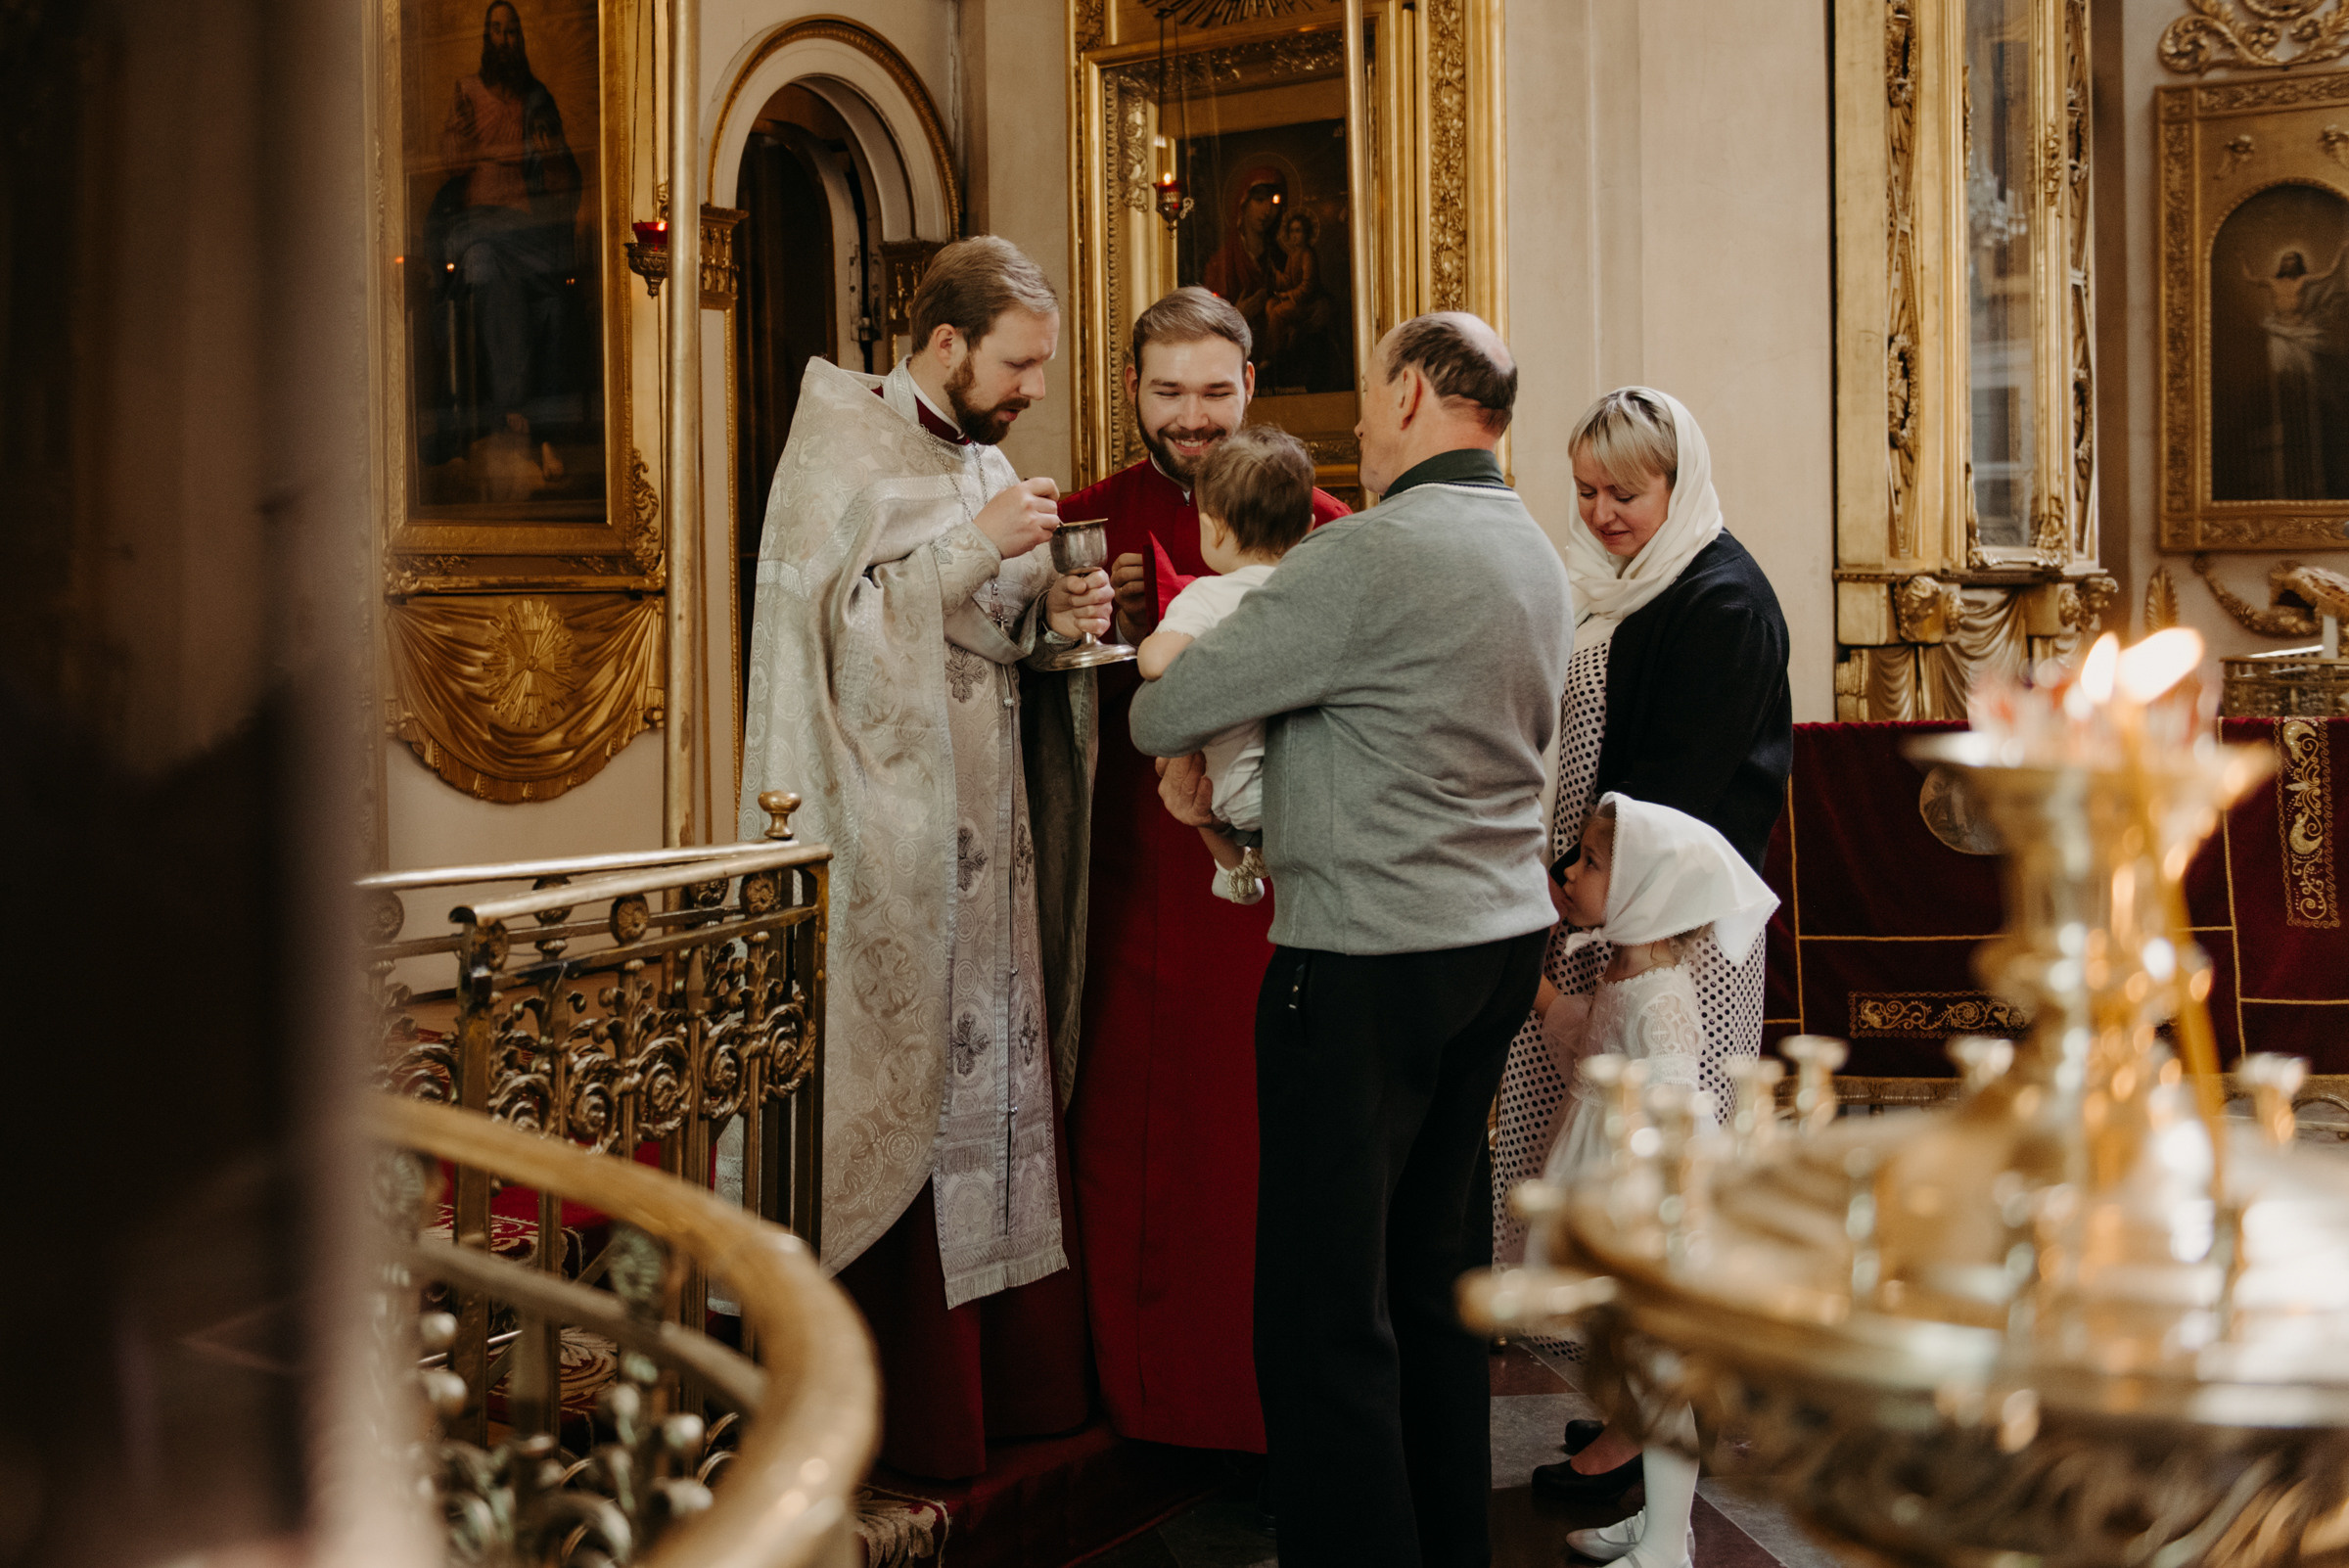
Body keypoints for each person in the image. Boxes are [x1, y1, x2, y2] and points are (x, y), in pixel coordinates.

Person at [1130, 311, 1570, 1568]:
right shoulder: (1534, 550)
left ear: (1420, 396)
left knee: (1327, 1314)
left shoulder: (1365, 554)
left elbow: (1171, 713)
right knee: (1435, 1289)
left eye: (1374, 395)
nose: (1361, 423)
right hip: (1493, 948)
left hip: (1367, 954)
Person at [734, 235, 1115, 1480]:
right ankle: (903, 1400)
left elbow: (980, 641)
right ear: (946, 343)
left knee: (990, 1081)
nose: (1033, 390)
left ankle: (1007, 1387)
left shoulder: (986, 457)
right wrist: (975, 546)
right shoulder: (839, 442)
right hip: (890, 846)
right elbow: (836, 634)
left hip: (989, 835)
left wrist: (1052, 623)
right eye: (1019, 363)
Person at [1490, 387, 1791, 1507]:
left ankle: (1660, 1428)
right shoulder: (1611, 586)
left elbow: (1673, 803)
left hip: (1661, 938)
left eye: (1628, 492)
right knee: (1599, 1174)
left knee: (1653, 1186)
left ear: (1679, 485)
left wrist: (1591, 921)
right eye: (1586, 491)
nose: (1605, 513)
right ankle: (1644, 1398)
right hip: (1590, 906)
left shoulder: (1722, 601)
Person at [1060, 287, 1346, 1455]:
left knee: (1267, 1147)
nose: (1191, 419)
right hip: (1127, 878)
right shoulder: (1087, 520)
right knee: (1138, 1139)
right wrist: (1080, 624)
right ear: (1130, 390)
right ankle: (1142, 1397)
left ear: (1250, 388)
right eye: (1167, 394)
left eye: (1214, 393)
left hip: (1284, 886)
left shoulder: (1328, 526)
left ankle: (1270, 1411)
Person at [1134, 424, 1319, 905]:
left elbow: (1155, 663)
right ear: (1308, 529)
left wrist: (1154, 640)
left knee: (1174, 755)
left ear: (1212, 529)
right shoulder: (1314, 590)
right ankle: (1241, 870)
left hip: (1237, 795)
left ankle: (1232, 868)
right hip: (1307, 789)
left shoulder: (1208, 595)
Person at [433, 0, 583, 493]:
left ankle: (539, 428)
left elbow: (564, 180)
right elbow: (450, 166)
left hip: (525, 231)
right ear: (486, 39)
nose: (504, 39)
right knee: (486, 262)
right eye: (496, 31)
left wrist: (551, 156)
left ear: (521, 39)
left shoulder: (537, 97)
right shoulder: (467, 92)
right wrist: (457, 137)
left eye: (512, 32)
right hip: (476, 224)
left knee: (553, 301)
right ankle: (512, 413)